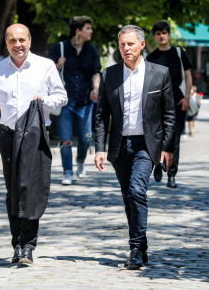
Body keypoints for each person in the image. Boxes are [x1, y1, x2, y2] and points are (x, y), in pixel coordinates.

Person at [0, 24, 67, 265]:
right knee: (13, 190)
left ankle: (28, 246)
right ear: (6, 43)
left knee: (31, 191)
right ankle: (17, 243)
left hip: (36, 136)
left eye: (22, 40)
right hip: (8, 136)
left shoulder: (44, 65)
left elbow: (62, 96)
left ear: (30, 41)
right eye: (13, 40)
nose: (18, 45)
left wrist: (44, 100)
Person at [94, 25, 175, 270]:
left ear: (141, 45)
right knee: (128, 198)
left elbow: (169, 114)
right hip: (120, 146)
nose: (126, 49)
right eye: (122, 45)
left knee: (137, 191)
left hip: (146, 145)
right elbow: (101, 115)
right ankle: (142, 244)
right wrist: (99, 147)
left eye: (130, 44)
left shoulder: (159, 73)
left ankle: (135, 248)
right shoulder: (110, 75)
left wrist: (167, 148)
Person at [48, 16, 101, 185]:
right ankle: (68, 172)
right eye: (88, 28)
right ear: (78, 31)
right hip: (65, 102)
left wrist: (96, 88)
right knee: (65, 139)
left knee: (86, 138)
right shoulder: (60, 48)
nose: (91, 31)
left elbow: (96, 72)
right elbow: (46, 73)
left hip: (85, 101)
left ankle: (80, 161)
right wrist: (58, 65)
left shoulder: (91, 50)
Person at [146, 21, 192, 188]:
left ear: (169, 35)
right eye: (158, 33)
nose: (161, 36)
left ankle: (172, 174)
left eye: (164, 32)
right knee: (157, 137)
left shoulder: (179, 53)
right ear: (155, 36)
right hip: (157, 103)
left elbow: (188, 76)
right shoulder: (150, 58)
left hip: (178, 101)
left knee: (174, 139)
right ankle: (158, 165)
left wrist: (187, 97)